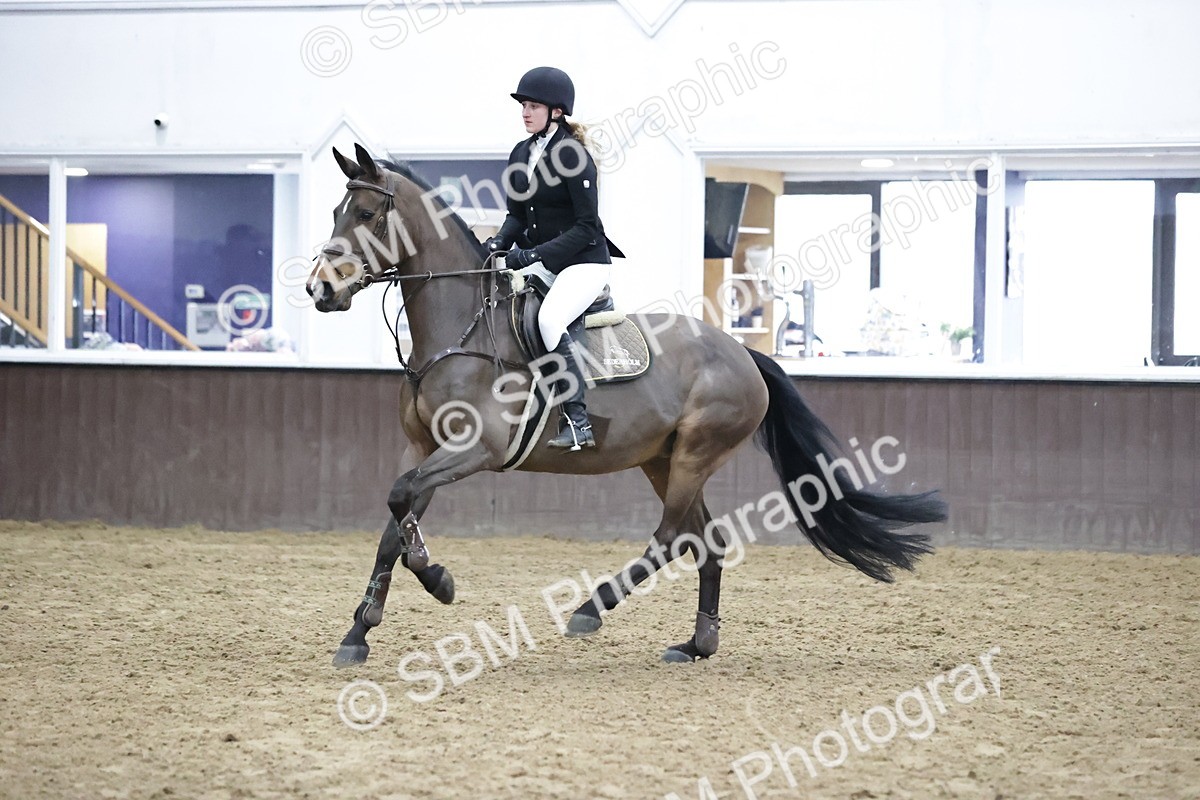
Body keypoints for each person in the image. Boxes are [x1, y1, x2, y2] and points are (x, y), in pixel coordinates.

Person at [485, 66, 619, 451]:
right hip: (542, 261)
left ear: (556, 112)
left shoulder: (574, 156)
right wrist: (497, 243)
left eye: (532, 106)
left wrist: (531, 254)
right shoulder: (521, 152)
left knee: (549, 318)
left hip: (584, 262)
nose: (524, 113)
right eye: (523, 106)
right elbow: (516, 214)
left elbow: (586, 226)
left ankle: (578, 422)